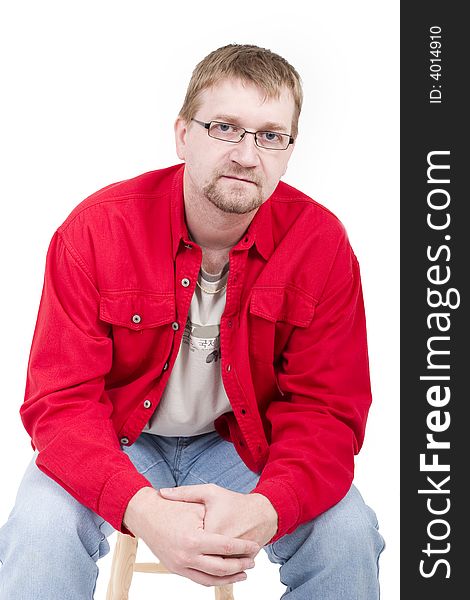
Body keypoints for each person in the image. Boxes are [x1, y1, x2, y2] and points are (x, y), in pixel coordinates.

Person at [0, 44, 384, 599]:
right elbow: (59, 404)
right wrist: (142, 509)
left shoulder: (320, 245)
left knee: (347, 531)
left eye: (271, 135)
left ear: (288, 149)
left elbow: (327, 410)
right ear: (183, 134)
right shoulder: (94, 232)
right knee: (38, 529)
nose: (248, 155)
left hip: (243, 446)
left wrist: (269, 508)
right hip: (119, 439)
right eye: (225, 127)